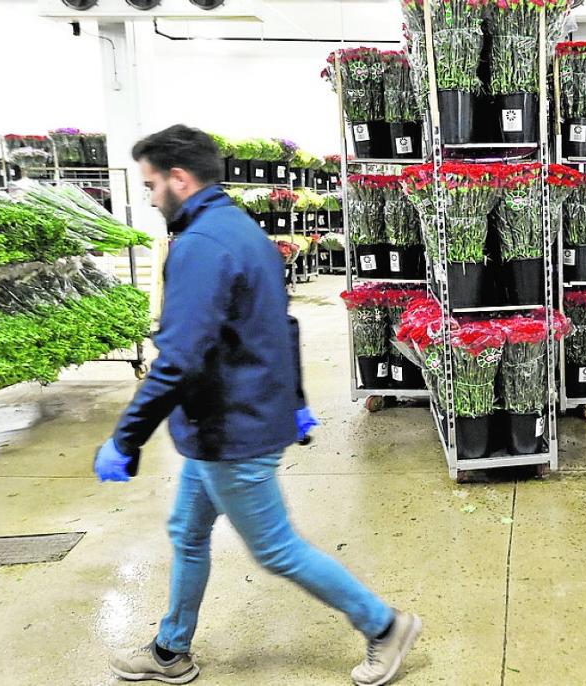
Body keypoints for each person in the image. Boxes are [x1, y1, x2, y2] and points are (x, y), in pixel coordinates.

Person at [93, 124, 421, 686]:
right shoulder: (241, 230)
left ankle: (384, 625)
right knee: (188, 531)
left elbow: (177, 359)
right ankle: (171, 650)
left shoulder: (200, 246)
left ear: (179, 178)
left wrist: (126, 439)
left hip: (231, 428)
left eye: (151, 185)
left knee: (275, 549)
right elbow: (280, 326)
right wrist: (293, 400)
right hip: (224, 421)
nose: (149, 198)